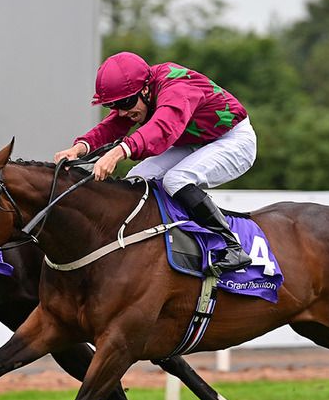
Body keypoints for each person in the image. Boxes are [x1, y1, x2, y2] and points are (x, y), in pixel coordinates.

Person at [54, 52, 256, 273]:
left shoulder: (177, 89)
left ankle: (231, 245)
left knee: (176, 180)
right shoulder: (141, 92)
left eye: (125, 102)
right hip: (194, 141)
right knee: (136, 180)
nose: (121, 111)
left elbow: (161, 128)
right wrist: (78, 148)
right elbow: (113, 126)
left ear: (146, 89)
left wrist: (118, 152)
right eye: (113, 105)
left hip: (233, 139)